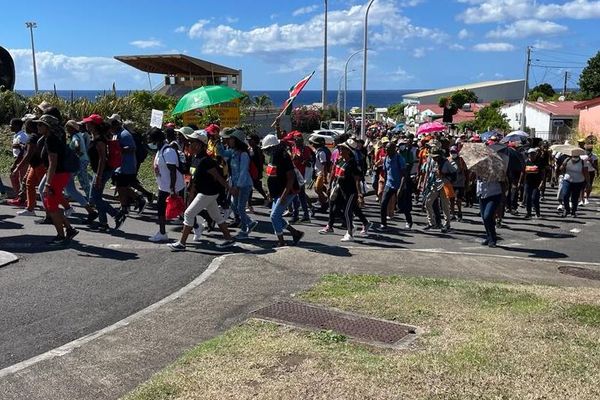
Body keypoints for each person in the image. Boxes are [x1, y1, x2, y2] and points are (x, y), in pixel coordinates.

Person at [168, 131, 235, 251]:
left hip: (208, 193)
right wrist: (191, 195)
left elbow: (218, 177)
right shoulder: (195, 159)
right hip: (204, 193)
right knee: (217, 216)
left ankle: (182, 243)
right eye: (190, 142)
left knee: (188, 214)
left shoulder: (206, 160)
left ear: (200, 145)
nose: (190, 144)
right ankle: (229, 239)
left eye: (192, 142)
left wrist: (230, 188)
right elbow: (193, 179)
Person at [35, 114, 79, 246]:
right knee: (52, 206)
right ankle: (70, 229)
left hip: (57, 176)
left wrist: (48, 183)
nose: (38, 126)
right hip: (59, 175)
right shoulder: (51, 138)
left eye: (40, 124)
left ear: (47, 127)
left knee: (52, 207)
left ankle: (61, 235)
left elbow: (52, 163)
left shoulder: (51, 140)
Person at [261, 134, 304, 247]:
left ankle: (281, 241)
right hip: (277, 192)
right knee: (277, 216)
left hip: (287, 192)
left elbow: (290, 178)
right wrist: (270, 193)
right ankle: (295, 233)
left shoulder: (283, 157)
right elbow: (272, 176)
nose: (266, 152)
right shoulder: (274, 157)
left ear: (273, 147)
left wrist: (284, 196)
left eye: (267, 149)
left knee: (274, 216)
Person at [319, 139, 364, 241]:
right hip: (340, 190)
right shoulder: (341, 161)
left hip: (350, 192)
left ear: (348, 151)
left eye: (342, 148)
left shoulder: (352, 164)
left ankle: (350, 233)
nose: (340, 150)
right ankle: (333, 226)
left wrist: (360, 195)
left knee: (347, 212)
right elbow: (335, 174)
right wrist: (330, 186)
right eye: (340, 148)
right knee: (334, 208)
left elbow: (357, 180)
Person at [147, 127, 186, 242]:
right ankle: (163, 232)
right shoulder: (160, 150)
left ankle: (162, 233)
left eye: (150, 139)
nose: (149, 142)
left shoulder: (168, 151)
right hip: (164, 185)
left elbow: (173, 171)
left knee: (168, 208)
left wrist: (172, 188)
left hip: (171, 186)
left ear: (156, 140)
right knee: (179, 209)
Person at [108, 115, 144, 228]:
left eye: (111, 126)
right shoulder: (116, 134)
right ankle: (135, 200)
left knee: (122, 186)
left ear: (115, 126)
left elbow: (132, 148)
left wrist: (118, 149)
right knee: (120, 187)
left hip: (126, 166)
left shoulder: (125, 134)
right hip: (119, 166)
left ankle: (128, 206)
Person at [86, 114, 119, 231]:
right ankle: (103, 223)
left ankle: (117, 214)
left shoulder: (99, 140)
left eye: (89, 123)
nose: (86, 124)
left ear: (94, 126)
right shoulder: (95, 137)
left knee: (95, 198)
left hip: (102, 172)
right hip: (99, 171)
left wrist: (99, 177)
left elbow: (102, 159)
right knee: (97, 197)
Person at [227, 129, 258, 239]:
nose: (229, 141)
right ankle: (248, 223)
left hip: (244, 185)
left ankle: (245, 229)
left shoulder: (244, 154)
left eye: (231, 139)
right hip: (236, 185)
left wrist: (238, 187)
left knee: (240, 207)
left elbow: (243, 171)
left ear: (237, 141)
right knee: (233, 205)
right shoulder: (234, 152)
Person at [14, 118, 45, 216]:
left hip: (39, 165)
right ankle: (30, 209)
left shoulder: (33, 137)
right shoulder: (36, 136)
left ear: (30, 127)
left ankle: (64, 207)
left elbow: (28, 155)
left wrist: (18, 167)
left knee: (45, 188)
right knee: (29, 184)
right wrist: (23, 146)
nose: (25, 128)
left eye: (26, 126)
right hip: (35, 165)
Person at [422, 148, 452, 232]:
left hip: (444, 184)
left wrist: (443, 175)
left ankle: (447, 224)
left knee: (444, 205)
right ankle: (431, 222)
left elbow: (453, 174)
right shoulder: (433, 162)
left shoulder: (446, 163)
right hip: (434, 184)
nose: (434, 158)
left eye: (435, 157)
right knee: (428, 202)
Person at [378, 142, 406, 231]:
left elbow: (404, 175)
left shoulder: (399, 159)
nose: (386, 150)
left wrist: (400, 189)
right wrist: (385, 183)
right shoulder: (386, 158)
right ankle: (383, 223)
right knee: (383, 204)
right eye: (386, 148)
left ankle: (408, 221)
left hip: (398, 185)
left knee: (403, 206)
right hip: (389, 185)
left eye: (388, 148)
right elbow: (386, 172)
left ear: (394, 149)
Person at [290, 132, 313, 223]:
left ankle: (297, 215)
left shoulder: (305, 149)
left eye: (298, 140)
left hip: (301, 175)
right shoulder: (293, 147)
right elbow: (293, 159)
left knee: (297, 195)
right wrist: (293, 158)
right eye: (295, 139)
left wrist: (300, 159)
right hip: (295, 173)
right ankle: (304, 215)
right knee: (300, 196)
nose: (296, 141)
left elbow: (308, 161)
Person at [477, 176, 504, 248]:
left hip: (493, 194)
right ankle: (489, 237)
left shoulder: (496, 168)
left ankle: (493, 239)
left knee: (487, 215)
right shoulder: (478, 168)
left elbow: (503, 180)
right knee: (484, 218)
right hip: (482, 194)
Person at [8, 118, 29, 205]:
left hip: (22, 160)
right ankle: (19, 197)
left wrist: (15, 164)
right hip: (18, 160)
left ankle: (25, 200)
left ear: (16, 126)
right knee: (15, 177)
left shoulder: (22, 136)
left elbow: (23, 152)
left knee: (23, 180)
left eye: (11, 125)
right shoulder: (17, 135)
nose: (10, 126)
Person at [560, 153, 588, 217]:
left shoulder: (583, 162)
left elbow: (586, 172)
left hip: (578, 181)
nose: (575, 157)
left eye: (576, 156)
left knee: (575, 198)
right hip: (567, 180)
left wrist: (588, 183)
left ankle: (573, 211)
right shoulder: (567, 160)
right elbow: (561, 169)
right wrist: (563, 164)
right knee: (565, 195)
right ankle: (566, 210)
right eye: (574, 156)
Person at [520, 148, 544, 218]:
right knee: (528, 198)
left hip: (536, 183)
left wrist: (542, 182)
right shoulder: (526, 162)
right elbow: (522, 172)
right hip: (527, 183)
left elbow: (543, 173)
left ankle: (537, 213)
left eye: (534, 154)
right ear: (528, 155)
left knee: (534, 198)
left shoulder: (539, 162)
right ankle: (528, 213)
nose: (532, 155)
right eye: (531, 154)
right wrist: (519, 182)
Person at [310, 136, 332, 212]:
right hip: (318, 173)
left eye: (312, 143)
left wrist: (325, 176)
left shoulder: (321, 152)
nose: (311, 144)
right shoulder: (318, 151)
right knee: (321, 188)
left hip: (321, 173)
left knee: (317, 188)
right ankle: (326, 199)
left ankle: (324, 203)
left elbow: (324, 165)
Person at [449, 146, 467, 221]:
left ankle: (459, 212)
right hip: (451, 183)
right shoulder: (448, 160)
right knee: (451, 199)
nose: (453, 154)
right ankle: (452, 214)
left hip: (460, 183)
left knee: (458, 199)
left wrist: (467, 182)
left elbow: (466, 171)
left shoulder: (461, 160)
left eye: (454, 152)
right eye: (452, 152)